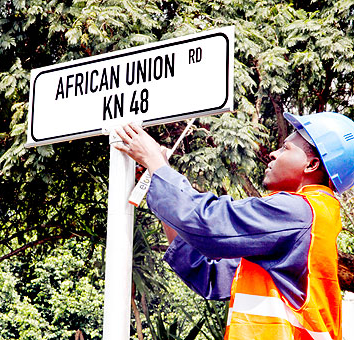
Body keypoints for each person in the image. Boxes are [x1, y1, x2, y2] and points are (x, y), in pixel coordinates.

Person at [114, 112, 354, 340]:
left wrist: (157, 164)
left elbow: (208, 224)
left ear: (312, 165)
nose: (272, 153)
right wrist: (159, 178)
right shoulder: (309, 220)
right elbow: (210, 273)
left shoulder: (299, 211)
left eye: (285, 148)